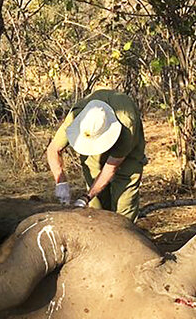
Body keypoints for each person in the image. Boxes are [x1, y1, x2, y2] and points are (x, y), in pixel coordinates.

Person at [46, 87, 146, 221]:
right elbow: (53, 149)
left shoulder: (127, 124)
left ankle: (122, 234)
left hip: (127, 152)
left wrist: (86, 197)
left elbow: (111, 168)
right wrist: (61, 183)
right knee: (96, 207)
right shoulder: (76, 117)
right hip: (93, 152)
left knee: (124, 204)